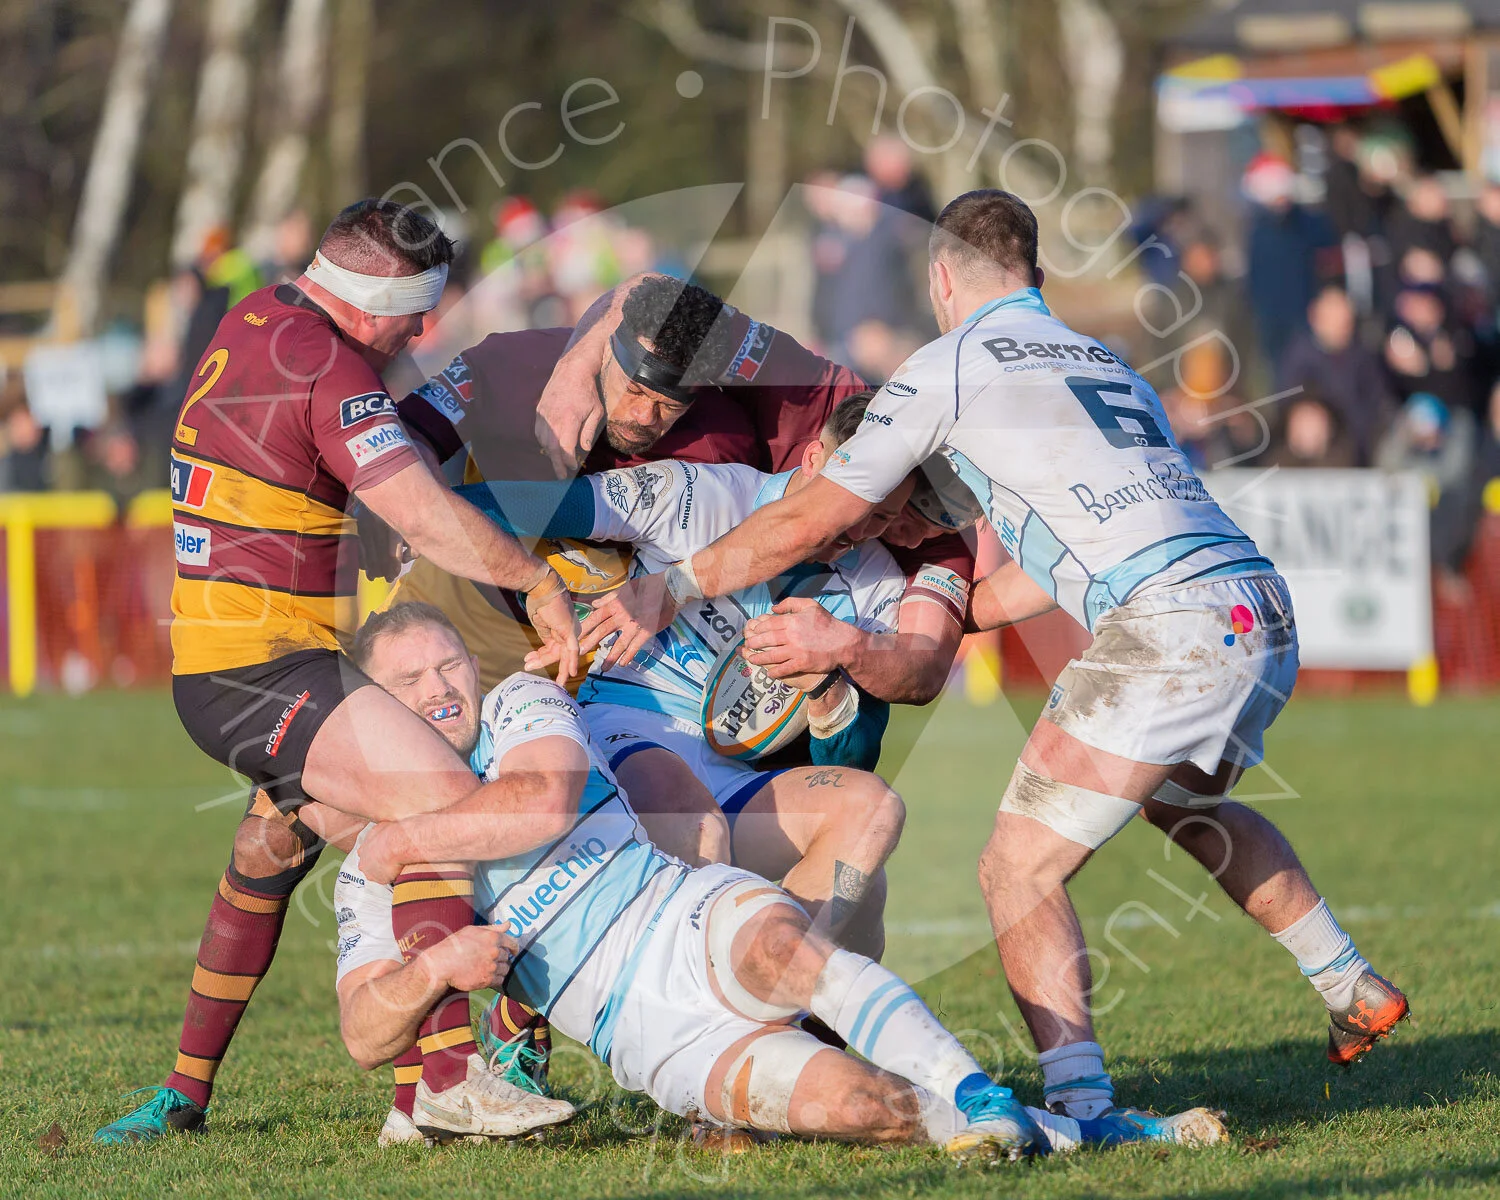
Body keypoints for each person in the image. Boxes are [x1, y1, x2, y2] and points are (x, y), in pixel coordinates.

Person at [572, 190, 1409, 1122]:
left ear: (940, 278)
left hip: (1167, 626)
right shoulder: (1106, 361)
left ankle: (1084, 1111)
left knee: (1017, 869)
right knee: (1188, 802)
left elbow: (816, 515)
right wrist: (917, 620)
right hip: (1255, 605)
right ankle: (1349, 982)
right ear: (1037, 278)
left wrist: (676, 586)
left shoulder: (950, 368)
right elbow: (1041, 574)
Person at [335, 601, 1228, 1157]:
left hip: (679, 912)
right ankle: (1072, 1133)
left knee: (777, 948)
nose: (442, 687)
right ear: (377, 710)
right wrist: (432, 971)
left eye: (449, 663)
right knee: (863, 1110)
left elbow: (542, 799)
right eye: (410, 680)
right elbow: (366, 1034)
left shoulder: (516, 707)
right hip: (642, 1036)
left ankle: (978, 1093)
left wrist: (399, 839)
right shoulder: (364, 873)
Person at [96, 199, 582, 1146]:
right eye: (417, 312)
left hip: (239, 663)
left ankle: (184, 1097)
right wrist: (539, 580)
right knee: (444, 803)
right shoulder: (331, 364)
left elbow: (324, 453)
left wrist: (448, 406)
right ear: (372, 302)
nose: (423, 330)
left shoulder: (260, 317)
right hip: (263, 670)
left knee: (267, 855)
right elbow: (426, 516)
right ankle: (443, 1082)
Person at [462, 392, 914, 959]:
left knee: (867, 833)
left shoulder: (877, 589)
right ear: (814, 459)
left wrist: (825, 693)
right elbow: (515, 506)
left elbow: (849, 764)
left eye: (884, 516)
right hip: (626, 731)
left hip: (732, 775)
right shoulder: (704, 497)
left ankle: (775, 996)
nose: (859, 525)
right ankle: (714, 1008)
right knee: (697, 827)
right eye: (858, 499)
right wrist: (530, 579)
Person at [1279, 284, 1394, 466]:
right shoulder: (1300, 358)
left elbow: (1379, 404)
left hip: (1361, 448)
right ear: (1316, 318)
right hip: (1319, 454)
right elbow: (1295, 406)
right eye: (1334, 320)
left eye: (1346, 322)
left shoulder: (1363, 356)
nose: (1341, 328)